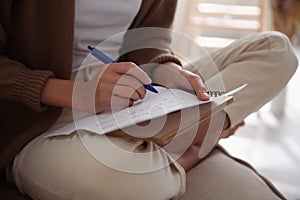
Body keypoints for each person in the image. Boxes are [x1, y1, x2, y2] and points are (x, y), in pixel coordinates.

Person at [0, 0, 297, 199]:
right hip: (38, 115)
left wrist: (166, 70)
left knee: (275, 49)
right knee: (126, 181)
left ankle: (173, 137)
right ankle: (193, 147)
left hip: (134, 92)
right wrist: (80, 93)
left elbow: (149, 43)